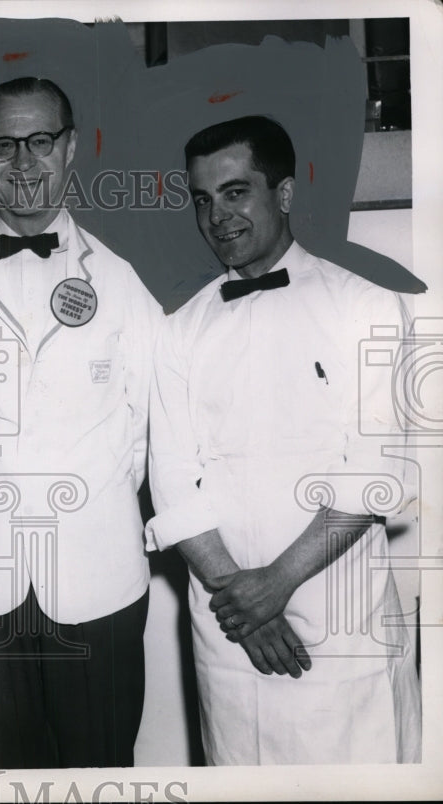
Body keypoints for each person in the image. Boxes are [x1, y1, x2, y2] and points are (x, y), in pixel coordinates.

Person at [146, 115, 422, 764]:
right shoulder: (179, 331)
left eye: (236, 192)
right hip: (232, 629)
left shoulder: (368, 307)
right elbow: (174, 480)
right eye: (203, 200)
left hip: (341, 630)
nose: (217, 216)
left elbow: (373, 470)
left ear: (285, 194)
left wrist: (277, 583)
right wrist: (244, 599)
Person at [0, 77, 163, 769]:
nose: (24, 164)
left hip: (98, 579)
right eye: (5, 145)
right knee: (2, 774)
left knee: (100, 769)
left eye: (40, 142)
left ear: (72, 148)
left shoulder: (120, 281)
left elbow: (148, 432)